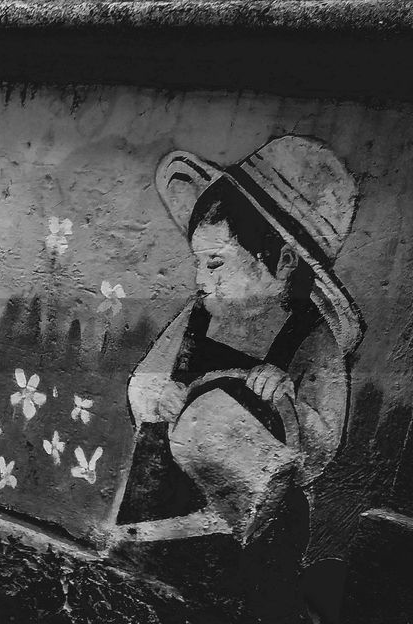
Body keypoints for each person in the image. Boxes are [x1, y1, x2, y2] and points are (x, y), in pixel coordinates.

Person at [121, 135, 363, 548]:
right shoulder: (197, 317)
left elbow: (322, 445)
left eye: (215, 263)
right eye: (199, 263)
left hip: (252, 536)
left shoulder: (311, 339)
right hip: (160, 506)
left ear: (285, 262)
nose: (201, 280)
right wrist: (159, 394)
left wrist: (290, 403)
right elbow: (144, 380)